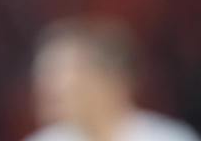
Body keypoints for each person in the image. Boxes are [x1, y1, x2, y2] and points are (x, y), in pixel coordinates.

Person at [23, 18, 200, 141]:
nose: (45, 85)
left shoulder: (169, 138)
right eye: (42, 74)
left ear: (109, 79)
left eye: (58, 72)